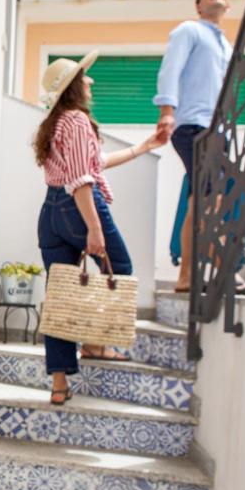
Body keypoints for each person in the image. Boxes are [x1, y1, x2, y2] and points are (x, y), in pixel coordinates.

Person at [35, 52, 169, 405]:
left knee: (61, 294)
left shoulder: (57, 122)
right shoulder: (77, 121)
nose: (91, 81)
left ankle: (59, 383)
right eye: (85, 76)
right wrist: (94, 229)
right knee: (119, 269)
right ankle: (95, 344)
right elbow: (82, 181)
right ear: (73, 87)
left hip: (51, 213)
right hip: (77, 207)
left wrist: (143, 147)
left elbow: (94, 165)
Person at [154, 0, 233, 292]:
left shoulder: (226, 45)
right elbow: (169, 70)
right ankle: (209, 269)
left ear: (229, 4)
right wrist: (167, 111)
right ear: (199, 5)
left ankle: (195, 272)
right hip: (192, 125)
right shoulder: (190, 30)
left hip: (217, 129)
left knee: (204, 198)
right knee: (207, 198)